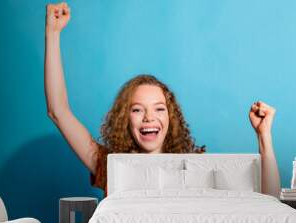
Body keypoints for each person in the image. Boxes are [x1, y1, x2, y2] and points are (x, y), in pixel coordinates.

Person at [44, 2, 281, 198]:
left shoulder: (194, 165)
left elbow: (268, 202)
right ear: (124, 120)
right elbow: (58, 111)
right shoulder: (110, 165)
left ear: (171, 118)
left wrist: (264, 138)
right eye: (137, 110)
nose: (149, 117)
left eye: (159, 109)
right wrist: (53, 33)